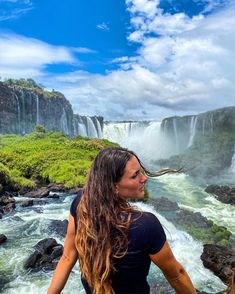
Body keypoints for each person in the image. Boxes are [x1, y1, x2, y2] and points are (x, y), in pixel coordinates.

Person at [48, 147, 196, 294]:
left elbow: (67, 257)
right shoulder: (145, 225)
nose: (144, 178)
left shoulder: (82, 204)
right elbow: (177, 275)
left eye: (141, 171)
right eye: (135, 175)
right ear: (114, 187)